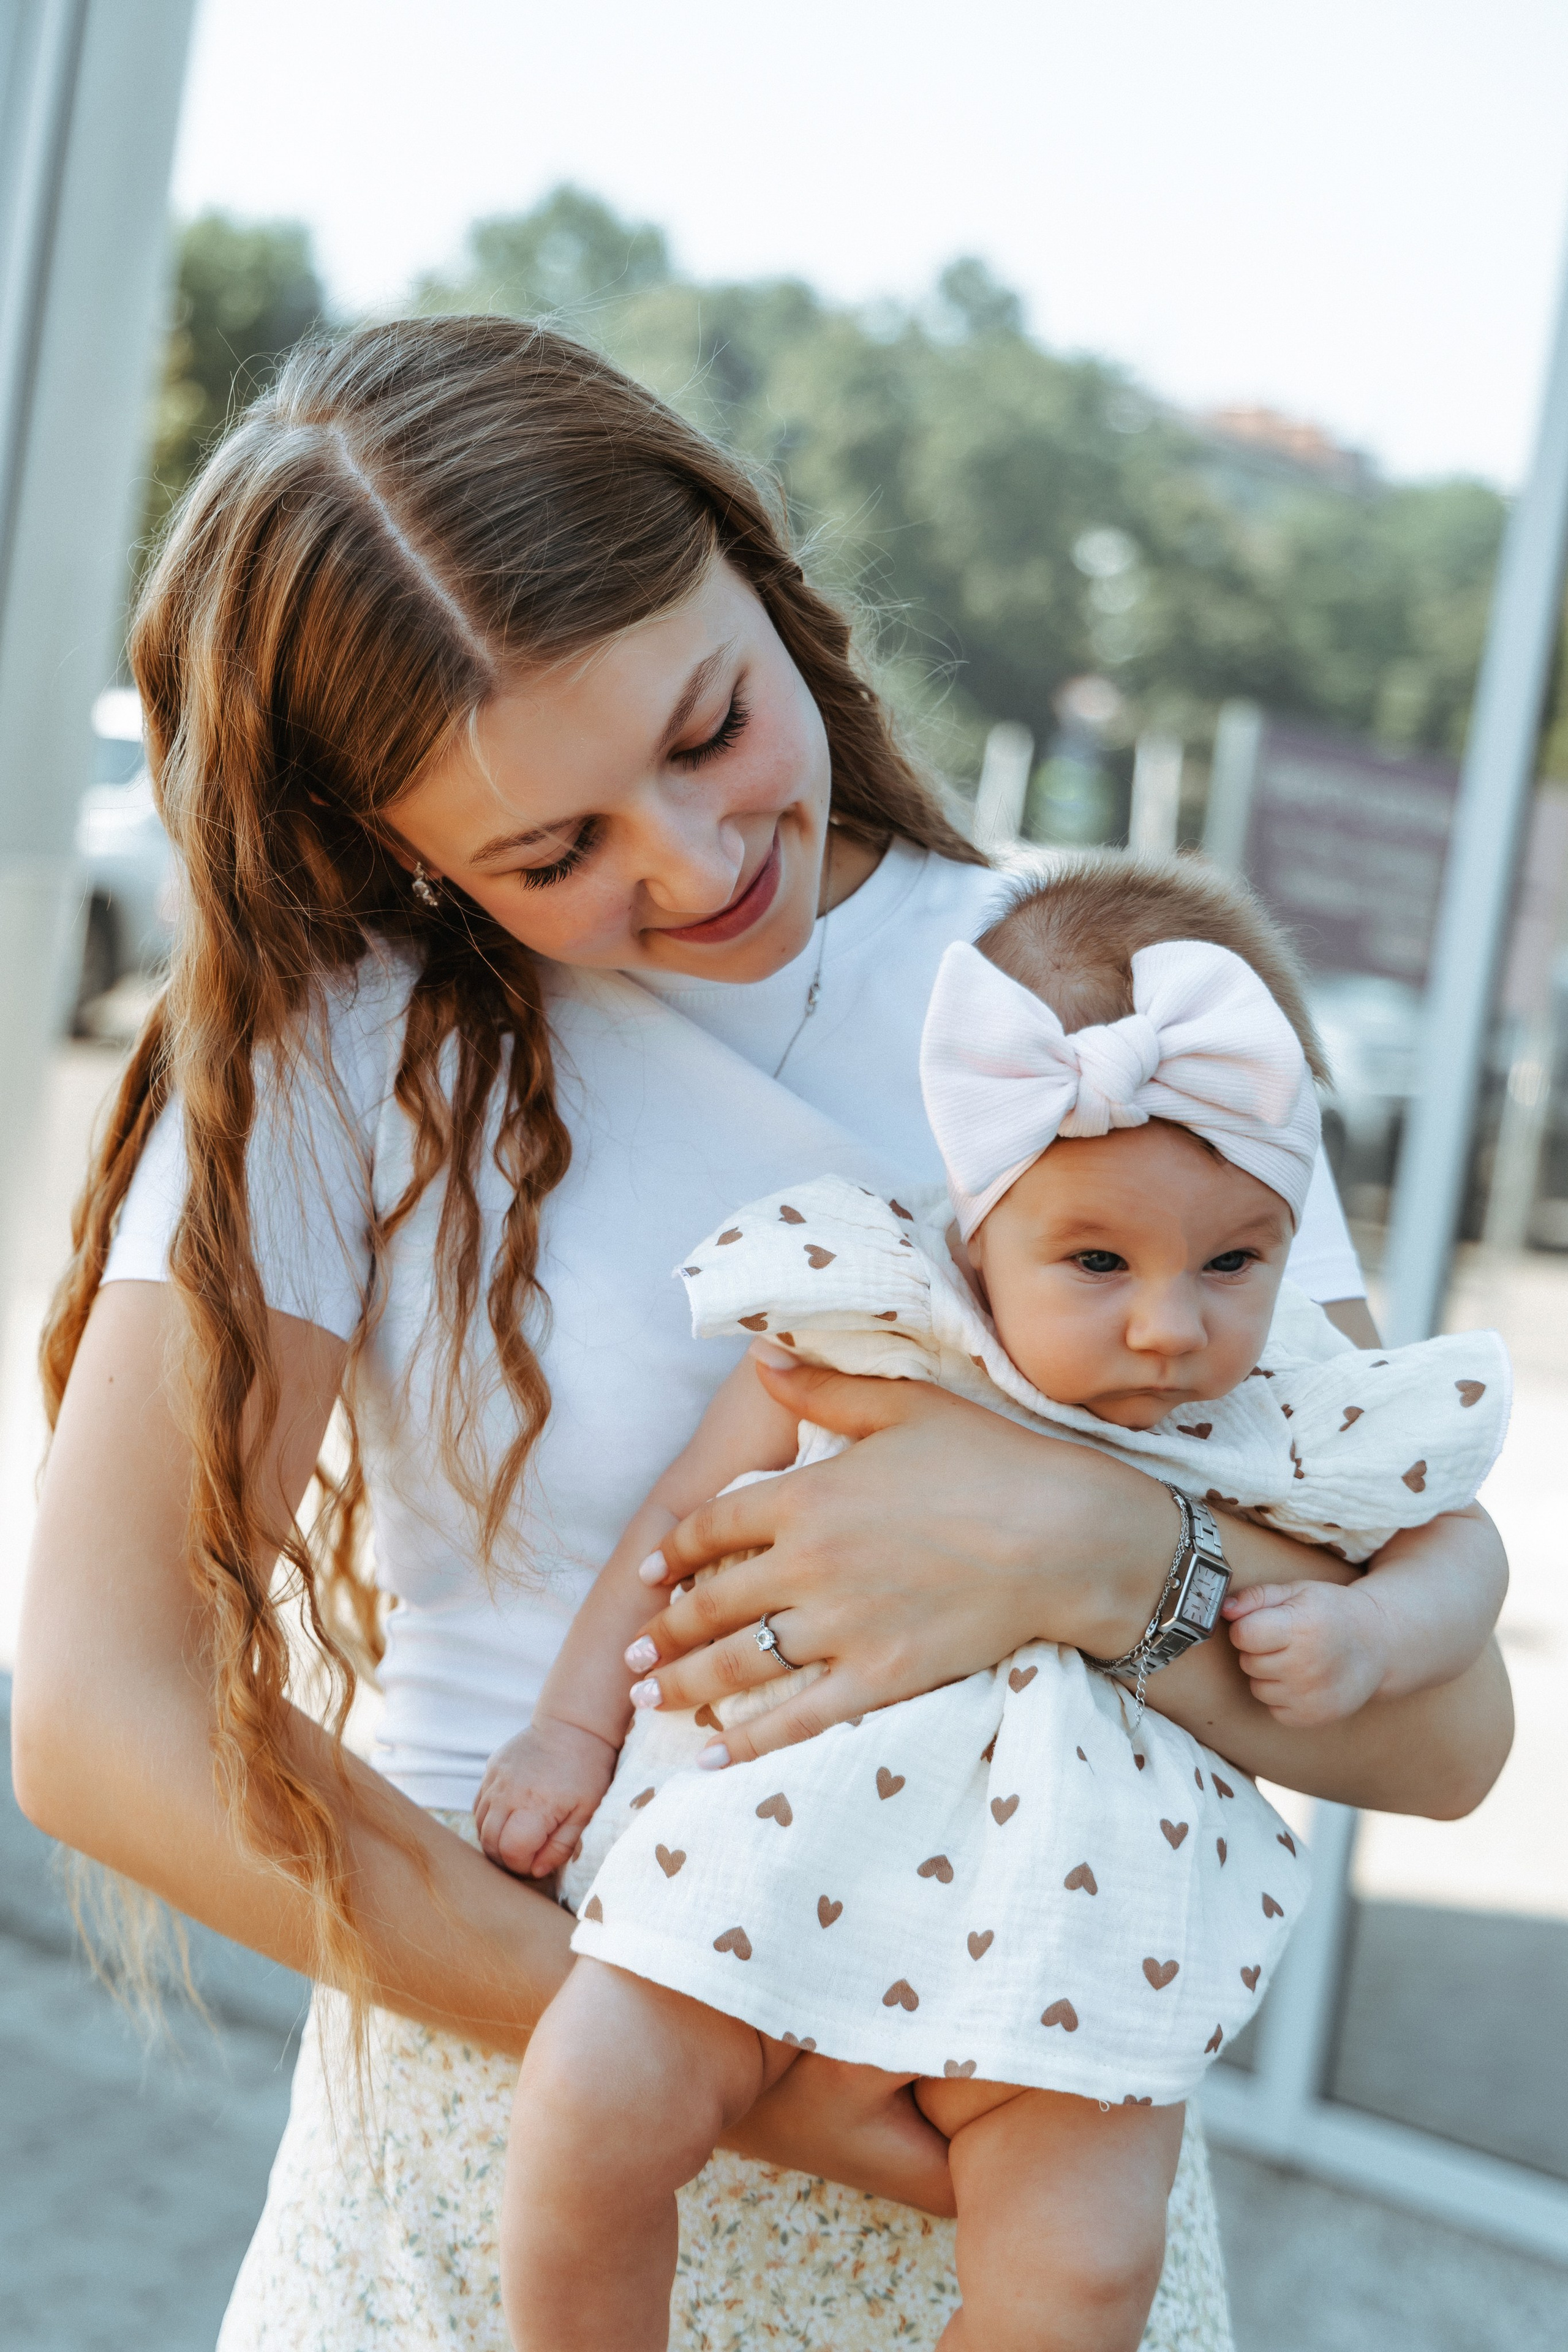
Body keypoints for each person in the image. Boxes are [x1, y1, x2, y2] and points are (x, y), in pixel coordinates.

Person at [9, 319, 1511, 2352]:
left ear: (756, 568)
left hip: (1026, 2183)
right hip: (512, 2165)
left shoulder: (1111, 1006)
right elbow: (104, 1716)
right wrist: (731, 2053)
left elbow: (1441, 1734)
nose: (701, 863)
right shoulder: (343, 1043)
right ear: (402, 850)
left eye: (713, 727)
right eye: (554, 855)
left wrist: (1073, 1554)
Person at [480, 860, 1509, 2352]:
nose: (1169, 1324)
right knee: (586, 2106)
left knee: (1085, 2274)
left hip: (1077, 1921)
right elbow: (671, 1532)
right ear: (977, 1222)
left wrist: (1367, 1635)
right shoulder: (874, 1315)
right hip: (777, 1857)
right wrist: (572, 1736)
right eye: (1095, 1260)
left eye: (1232, 1260)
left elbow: (1457, 1553)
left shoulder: (1278, 1395)